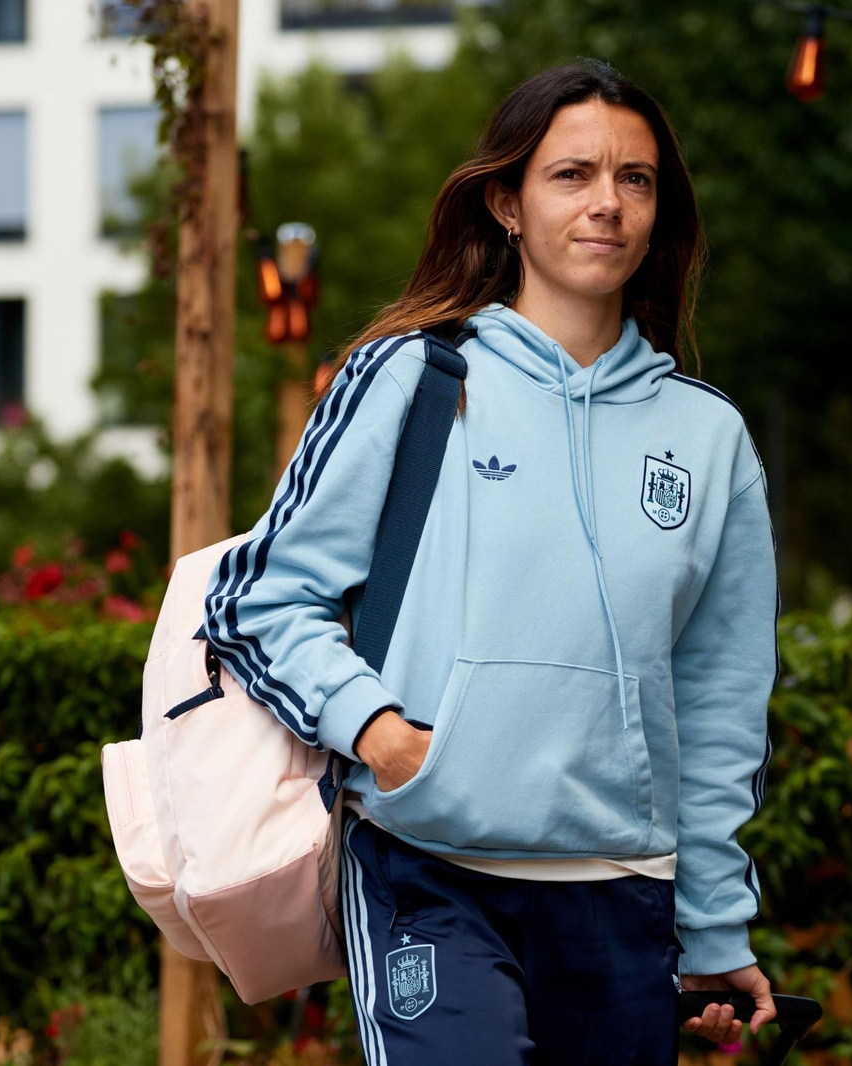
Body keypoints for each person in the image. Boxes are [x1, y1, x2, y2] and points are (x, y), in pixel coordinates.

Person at [200, 58, 780, 1064]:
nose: (607, 204)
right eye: (573, 174)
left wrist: (716, 928)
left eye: (634, 180)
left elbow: (720, 702)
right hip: (430, 866)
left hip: (620, 889)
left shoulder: (707, 434)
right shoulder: (415, 376)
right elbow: (260, 599)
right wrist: (378, 734)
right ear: (506, 201)